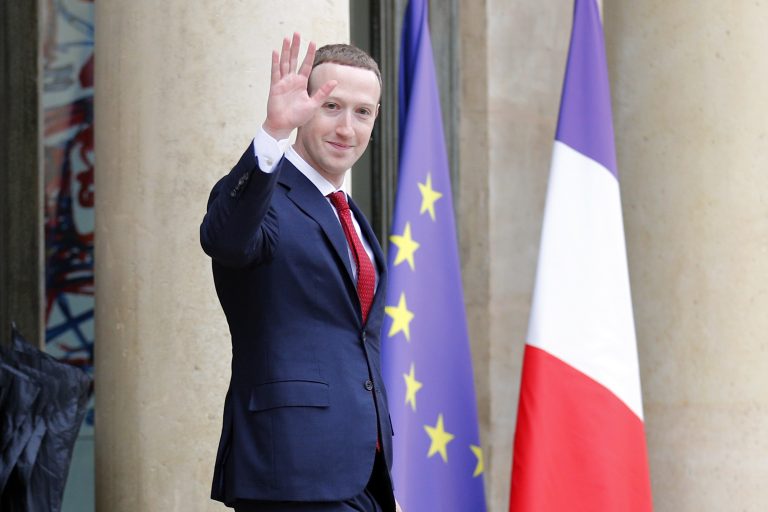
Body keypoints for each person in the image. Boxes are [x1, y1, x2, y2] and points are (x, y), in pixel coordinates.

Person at [200, 33, 397, 512]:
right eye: (331, 106)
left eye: (362, 112)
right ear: (305, 108)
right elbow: (225, 238)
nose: (347, 128)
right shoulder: (265, 197)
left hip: (364, 476)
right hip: (289, 471)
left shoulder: (349, 215)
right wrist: (272, 133)